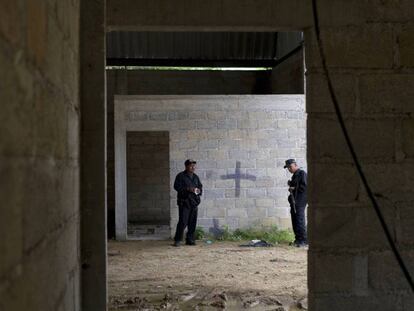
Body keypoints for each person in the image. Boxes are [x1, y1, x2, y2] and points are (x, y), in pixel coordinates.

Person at [173, 159, 203, 247]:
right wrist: (188, 189)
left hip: (194, 203)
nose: (193, 167)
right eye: (191, 166)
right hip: (184, 203)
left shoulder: (196, 177)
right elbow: (176, 187)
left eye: (194, 166)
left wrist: (198, 191)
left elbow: (200, 188)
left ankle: (190, 239)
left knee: (192, 222)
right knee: (183, 222)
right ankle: (177, 240)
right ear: (186, 166)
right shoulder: (180, 176)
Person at [284, 159, 308, 247]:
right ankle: (298, 239)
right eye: (288, 168)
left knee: (299, 219)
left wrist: (293, 188)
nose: (289, 169)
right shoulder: (295, 175)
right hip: (295, 201)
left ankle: (303, 240)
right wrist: (291, 185)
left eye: (290, 167)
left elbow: (305, 187)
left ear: (295, 165)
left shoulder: (302, 173)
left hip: (300, 201)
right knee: (295, 219)